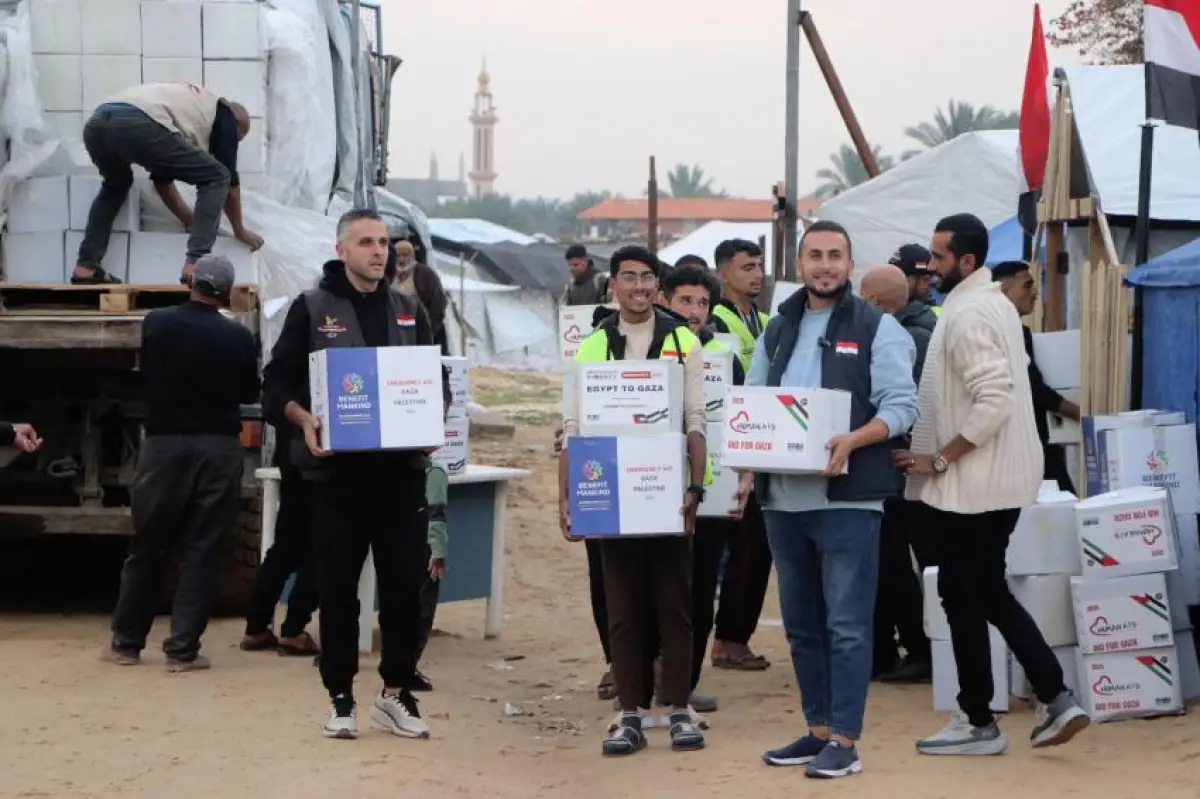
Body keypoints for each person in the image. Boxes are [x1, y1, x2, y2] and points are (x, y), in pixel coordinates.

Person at [897, 213, 1090, 756]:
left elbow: (996, 397)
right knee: (972, 592)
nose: (929, 267)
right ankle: (1018, 704)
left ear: (965, 261)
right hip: (991, 483)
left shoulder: (972, 314)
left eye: (937, 257)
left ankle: (1012, 708)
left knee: (973, 592)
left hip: (977, 485)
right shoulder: (987, 305)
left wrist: (940, 458)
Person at [261, 208, 450, 741]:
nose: (378, 252)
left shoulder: (411, 309)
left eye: (384, 242)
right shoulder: (312, 308)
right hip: (336, 478)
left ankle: (395, 693)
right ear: (341, 249)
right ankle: (340, 697)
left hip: (400, 474)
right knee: (338, 587)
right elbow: (276, 387)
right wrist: (304, 419)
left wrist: (433, 417)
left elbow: (437, 381)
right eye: (365, 242)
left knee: (402, 588)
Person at [745, 220, 919, 779]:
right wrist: (746, 457)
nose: (824, 265)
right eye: (815, 255)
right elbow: (751, 401)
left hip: (848, 499)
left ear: (849, 263)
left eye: (835, 256)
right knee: (801, 624)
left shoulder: (877, 327)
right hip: (783, 500)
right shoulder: (778, 328)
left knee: (847, 625)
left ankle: (845, 739)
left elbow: (901, 407)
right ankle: (817, 729)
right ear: (799, 264)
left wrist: (854, 440)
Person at [560, 245, 708, 757]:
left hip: (666, 494)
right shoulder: (593, 345)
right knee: (622, 609)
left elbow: (695, 419)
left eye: (648, 278)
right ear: (613, 286)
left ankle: (681, 711)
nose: (639, 287)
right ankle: (629, 715)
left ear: (657, 286)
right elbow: (574, 427)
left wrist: (696, 486)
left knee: (675, 606)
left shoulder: (684, 341)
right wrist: (569, 498)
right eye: (629, 278)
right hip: (611, 495)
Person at [104, 254, 259, 671]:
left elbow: (145, 370)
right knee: (203, 548)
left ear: (191, 283)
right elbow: (248, 390)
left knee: (148, 544)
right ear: (226, 292)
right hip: (218, 447)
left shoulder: (158, 322)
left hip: (163, 446)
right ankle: (182, 650)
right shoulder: (239, 337)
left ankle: (125, 643)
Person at [638, 263, 746, 717]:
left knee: (701, 596)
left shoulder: (725, 354)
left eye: (703, 303)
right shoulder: (645, 347)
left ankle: (684, 682)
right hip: (654, 492)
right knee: (654, 591)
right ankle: (643, 679)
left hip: (712, 495)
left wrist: (746, 475)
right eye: (686, 300)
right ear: (665, 299)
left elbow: (741, 419)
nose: (695, 311)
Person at [74, 82, 263, 285]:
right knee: (217, 176)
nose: (233, 144)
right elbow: (229, 184)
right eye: (238, 139)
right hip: (137, 123)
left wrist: (189, 219)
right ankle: (196, 265)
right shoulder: (224, 112)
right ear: (238, 126)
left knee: (116, 184)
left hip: (97, 123)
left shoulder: (181, 111)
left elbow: (162, 182)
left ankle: (86, 266)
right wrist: (239, 230)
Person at [860, 264, 938, 684]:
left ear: (872, 300)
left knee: (893, 565)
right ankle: (892, 648)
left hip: (898, 465)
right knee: (893, 563)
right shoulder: (923, 331)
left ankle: (915, 647)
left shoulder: (904, 338)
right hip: (904, 464)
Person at [710, 238, 773, 672]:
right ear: (723, 273)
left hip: (760, 441)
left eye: (759, 266)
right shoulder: (714, 321)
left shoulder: (765, 319)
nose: (756, 274)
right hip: (726, 447)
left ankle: (733, 637)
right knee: (741, 545)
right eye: (747, 267)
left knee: (756, 546)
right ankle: (728, 640)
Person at [990, 260, 1080, 493]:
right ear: (1003, 291)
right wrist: (1079, 413)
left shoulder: (1009, 329)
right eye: (1027, 286)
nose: (1035, 292)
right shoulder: (1007, 331)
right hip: (1024, 441)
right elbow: (1032, 387)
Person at [239, 422, 321, 658]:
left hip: (292, 455)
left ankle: (256, 626)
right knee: (322, 547)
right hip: (325, 457)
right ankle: (293, 628)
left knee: (285, 546)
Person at [413, 455, 450, 691]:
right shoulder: (433, 470)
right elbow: (436, 514)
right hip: (423, 546)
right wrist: (438, 550)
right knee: (422, 610)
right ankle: (408, 665)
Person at [889, 243, 940, 316]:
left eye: (930, 279)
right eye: (925, 279)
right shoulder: (873, 302)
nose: (929, 284)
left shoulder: (932, 318)